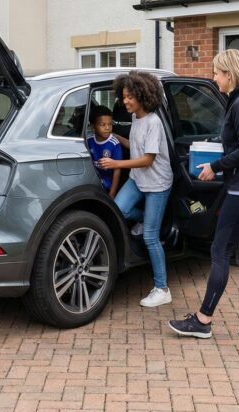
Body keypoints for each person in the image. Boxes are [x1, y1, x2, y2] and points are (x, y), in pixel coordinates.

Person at [168, 49, 239, 340]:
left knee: (219, 251)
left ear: (230, 74)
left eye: (217, 72)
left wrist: (215, 167)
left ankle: (203, 320)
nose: (214, 77)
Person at [98, 71, 174, 308]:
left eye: (130, 97)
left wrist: (116, 164)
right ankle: (148, 220)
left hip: (157, 183)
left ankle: (162, 289)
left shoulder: (153, 122)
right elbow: (137, 147)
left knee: (151, 237)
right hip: (138, 179)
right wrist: (117, 138)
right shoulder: (136, 119)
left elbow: (148, 158)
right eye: (124, 97)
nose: (126, 101)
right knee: (119, 210)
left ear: (143, 95)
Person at [86, 105, 122, 198]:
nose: (107, 128)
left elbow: (117, 170)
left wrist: (112, 194)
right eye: (103, 125)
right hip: (94, 181)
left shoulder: (114, 143)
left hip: (108, 184)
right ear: (93, 126)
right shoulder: (89, 140)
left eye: (110, 124)